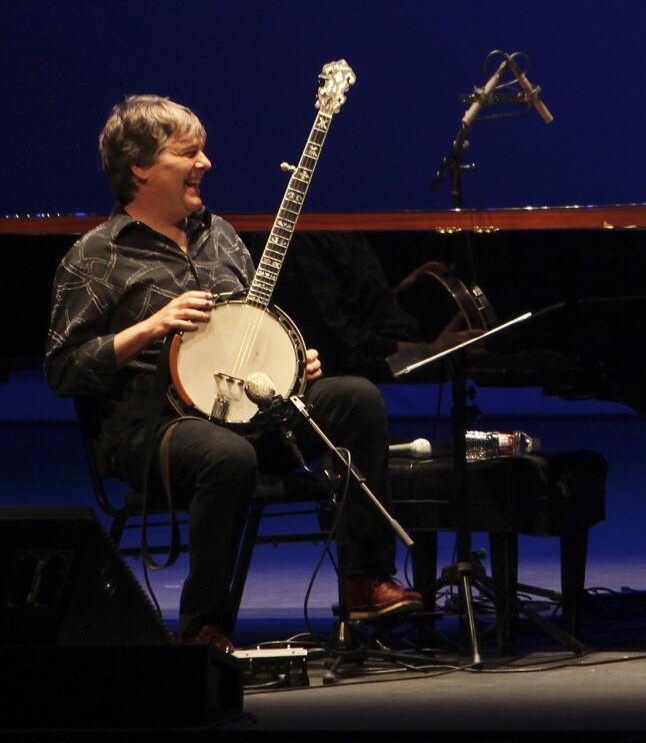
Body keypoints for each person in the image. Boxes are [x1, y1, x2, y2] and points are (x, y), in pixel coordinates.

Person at [45, 95, 472, 652]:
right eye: (189, 153)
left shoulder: (220, 235)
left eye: (203, 151)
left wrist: (292, 368)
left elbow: (253, 332)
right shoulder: (95, 257)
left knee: (354, 398)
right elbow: (62, 369)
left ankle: (365, 579)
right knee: (226, 456)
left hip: (247, 412)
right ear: (141, 168)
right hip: (152, 430)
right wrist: (150, 328)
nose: (206, 164)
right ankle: (205, 625)